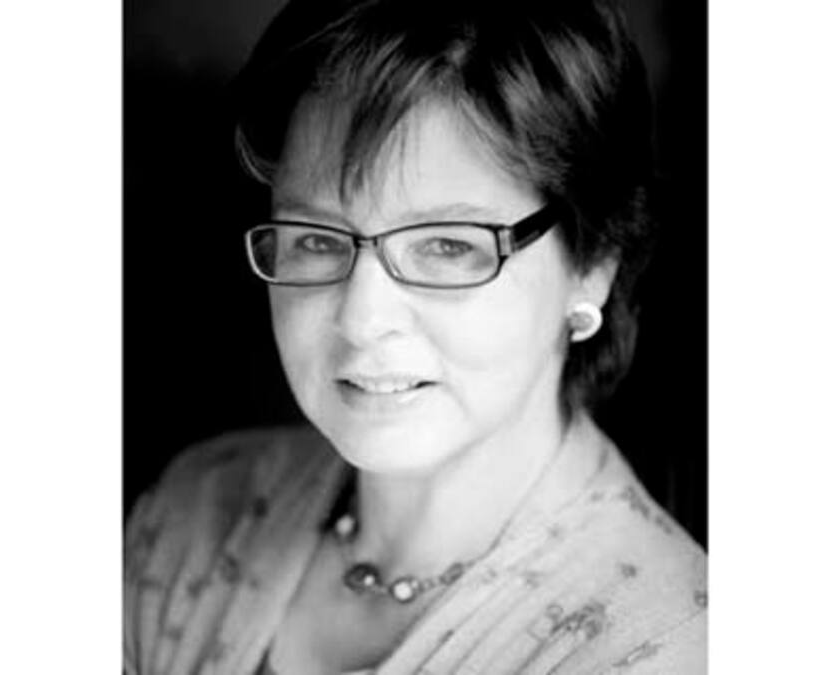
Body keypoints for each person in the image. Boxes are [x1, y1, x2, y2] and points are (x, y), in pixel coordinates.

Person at [124, 0, 706, 672]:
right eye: (316, 239)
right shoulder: (196, 512)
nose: (361, 319)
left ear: (592, 266)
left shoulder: (666, 646)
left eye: (448, 246)